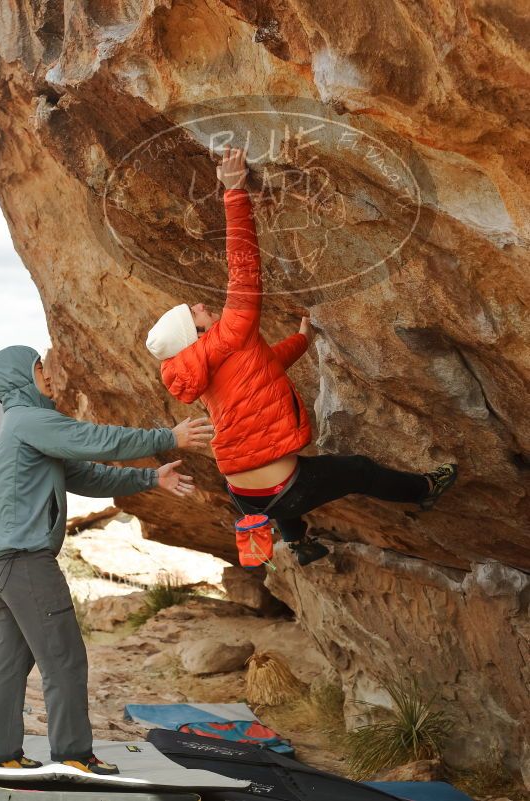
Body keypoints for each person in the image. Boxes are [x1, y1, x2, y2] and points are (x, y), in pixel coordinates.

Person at [147, 146, 457, 568]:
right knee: (358, 470)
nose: (201, 305)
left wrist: (303, 340)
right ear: (196, 332)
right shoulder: (229, 333)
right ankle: (425, 489)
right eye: (194, 313)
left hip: (242, 493)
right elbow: (243, 268)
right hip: (282, 487)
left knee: (285, 493)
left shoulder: (202, 366)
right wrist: (234, 192)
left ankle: (298, 542)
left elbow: (263, 369)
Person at [0, 345, 212, 775]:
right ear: (22, 376)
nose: (50, 375)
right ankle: (73, 755)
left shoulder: (22, 428)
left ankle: (1, 753)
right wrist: (166, 438)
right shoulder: (30, 421)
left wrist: (151, 476)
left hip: (5, 564)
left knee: (9, 663)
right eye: (40, 368)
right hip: (26, 560)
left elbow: (89, 474)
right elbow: (93, 440)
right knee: (64, 658)